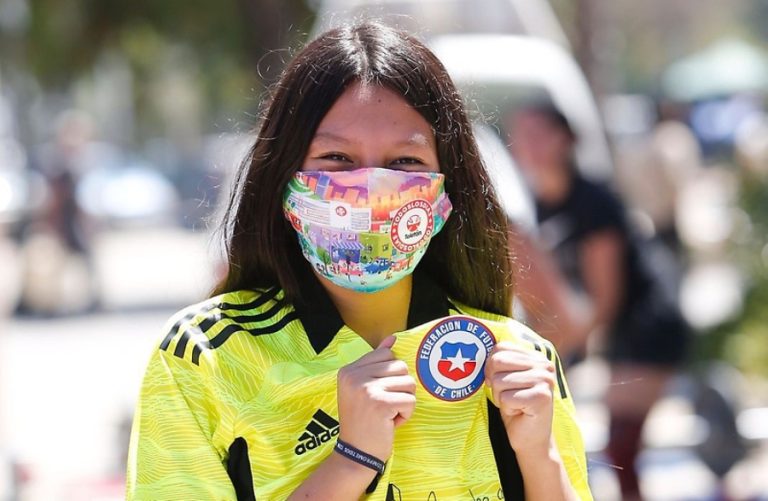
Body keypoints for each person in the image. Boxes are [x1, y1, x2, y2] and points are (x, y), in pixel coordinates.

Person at [126, 23, 592, 500]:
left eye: (406, 162)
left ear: (446, 188)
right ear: (284, 178)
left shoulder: (515, 362)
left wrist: (540, 457)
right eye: (336, 158)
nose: (372, 186)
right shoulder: (206, 358)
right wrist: (352, 460)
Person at [506, 102, 690, 501]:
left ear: (566, 139)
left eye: (539, 133)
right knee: (617, 450)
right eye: (521, 135)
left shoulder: (592, 201)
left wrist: (553, 350)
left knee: (621, 446)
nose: (527, 144)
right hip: (618, 329)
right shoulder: (538, 204)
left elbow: (604, 299)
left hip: (649, 322)